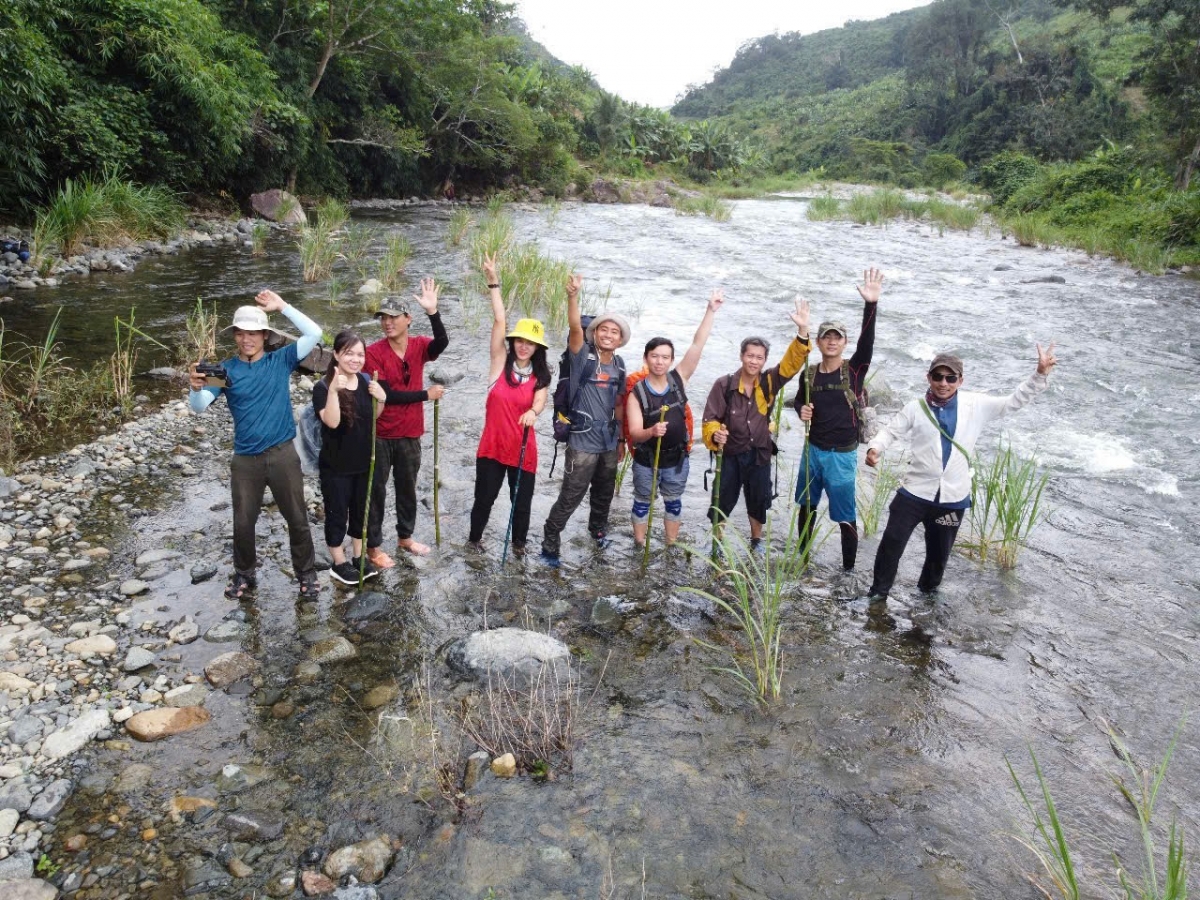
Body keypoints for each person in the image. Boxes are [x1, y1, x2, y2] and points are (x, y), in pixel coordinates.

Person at [864, 344, 1058, 603]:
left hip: (953, 497)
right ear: (928, 377)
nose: (943, 383)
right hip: (914, 492)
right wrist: (875, 448)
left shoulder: (975, 405)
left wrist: (1039, 374)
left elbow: (1013, 402)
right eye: (938, 377)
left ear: (960, 380)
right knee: (891, 544)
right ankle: (877, 596)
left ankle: (926, 600)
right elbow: (890, 431)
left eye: (950, 378)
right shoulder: (915, 407)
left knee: (938, 556)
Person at [188, 290, 323, 600]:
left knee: (297, 518)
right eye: (241, 333)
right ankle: (245, 574)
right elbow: (199, 407)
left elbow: (314, 333)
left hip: (283, 454)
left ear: (264, 335)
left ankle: (306, 573)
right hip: (245, 459)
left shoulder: (282, 359)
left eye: (253, 333)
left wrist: (283, 307)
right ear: (235, 335)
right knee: (243, 522)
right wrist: (194, 389)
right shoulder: (225, 371)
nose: (246, 339)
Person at [702, 299, 811, 550]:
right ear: (742, 356)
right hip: (729, 455)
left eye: (759, 357)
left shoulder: (769, 382)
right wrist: (714, 434)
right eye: (750, 355)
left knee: (758, 499)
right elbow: (710, 418)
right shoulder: (725, 384)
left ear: (764, 361)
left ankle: (756, 540)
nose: (754, 361)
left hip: (760, 453)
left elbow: (792, 364)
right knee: (722, 498)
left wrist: (803, 331)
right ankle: (717, 541)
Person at [795, 267, 884, 570]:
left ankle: (848, 571)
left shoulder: (854, 371)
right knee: (806, 507)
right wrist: (800, 410)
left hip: (842, 456)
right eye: (826, 337)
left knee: (845, 515)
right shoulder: (809, 374)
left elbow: (868, 344)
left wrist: (871, 304)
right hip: (812, 451)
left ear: (844, 343)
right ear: (817, 343)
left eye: (837, 337)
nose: (831, 342)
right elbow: (799, 402)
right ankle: (802, 559)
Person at [539, 275, 630, 567]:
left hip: (607, 443)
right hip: (581, 443)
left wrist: (621, 440)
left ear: (620, 340)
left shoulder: (619, 365)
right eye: (604, 329)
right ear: (595, 332)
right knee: (570, 496)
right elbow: (575, 327)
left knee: (603, 493)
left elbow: (618, 402)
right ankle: (550, 544)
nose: (608, 334)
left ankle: (598, 532)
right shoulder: (582, 356)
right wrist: (572, 296)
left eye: (614, 332)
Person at [626, 290, 724, 548]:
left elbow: (697, 344)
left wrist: (711, 311)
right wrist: (651, 432)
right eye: (654, 356)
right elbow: (635, 432)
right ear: (646, 358)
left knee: (674, 502)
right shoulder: (637, 392)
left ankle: (670, 544)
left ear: (671, 360)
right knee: (641, 502)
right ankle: (639, 543)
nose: (659, 361)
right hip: (646, 459)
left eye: (665, 357)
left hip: (676, 459)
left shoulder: (678, 379)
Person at [467, 253, 552, 553]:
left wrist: (533, 411)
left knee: (522, 504)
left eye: (530, 342)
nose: (523, 345)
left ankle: (518, 548)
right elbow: (500, 320)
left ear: (537, 347)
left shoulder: (541, 375)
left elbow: (540, 401)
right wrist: (494, 283)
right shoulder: (498, 363)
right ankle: (474, 542)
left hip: (523, 450)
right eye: (519, 340)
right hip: (492, 448)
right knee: (484, 500)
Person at [363, 278, 449, 566]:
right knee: (376, 490)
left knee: (407, 487)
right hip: (381, 433)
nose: (387, 323)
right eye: (383, 318)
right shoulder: (374, 352)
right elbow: (388, 394)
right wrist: (427, 394)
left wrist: (433, 312)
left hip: (411, 432)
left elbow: (442, 343)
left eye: (393, 317)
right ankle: (373, 547)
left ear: (407, 319)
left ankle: (405, 537)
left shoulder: (419, 346)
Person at [313, 330, 388, 585]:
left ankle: (357, 557)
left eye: (360, 354)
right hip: (336, 466)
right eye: (349, 354)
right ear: (336, 354)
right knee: (337, 514)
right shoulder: (323, 387)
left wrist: (382, 399)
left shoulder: (366, 380)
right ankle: (338, 562)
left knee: (360, 512)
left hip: (364, 463)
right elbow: (332, 422)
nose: (355, 359)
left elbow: (373, 418)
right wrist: (334, 391)